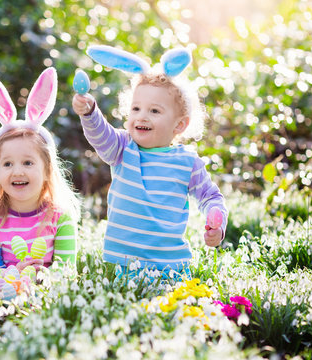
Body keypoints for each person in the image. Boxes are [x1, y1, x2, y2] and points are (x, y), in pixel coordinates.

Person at [71, 45, 228, 280]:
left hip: (169, 267)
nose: (142, 116)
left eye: (154, 111)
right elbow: (100, 135)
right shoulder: (123, 148)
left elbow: (210, 196)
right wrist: (90, 112)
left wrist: (216, 219)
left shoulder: (187, 162)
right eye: (136, 108)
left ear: (179, 125)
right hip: (121, 265)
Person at [0, 67, 80, 273]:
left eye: (28, 163)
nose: (17, 171)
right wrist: (17, 273)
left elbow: (67, 271)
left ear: (48, 170)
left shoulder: (60, 218)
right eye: (7, 164)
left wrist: (44, 276)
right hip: (5, 295)